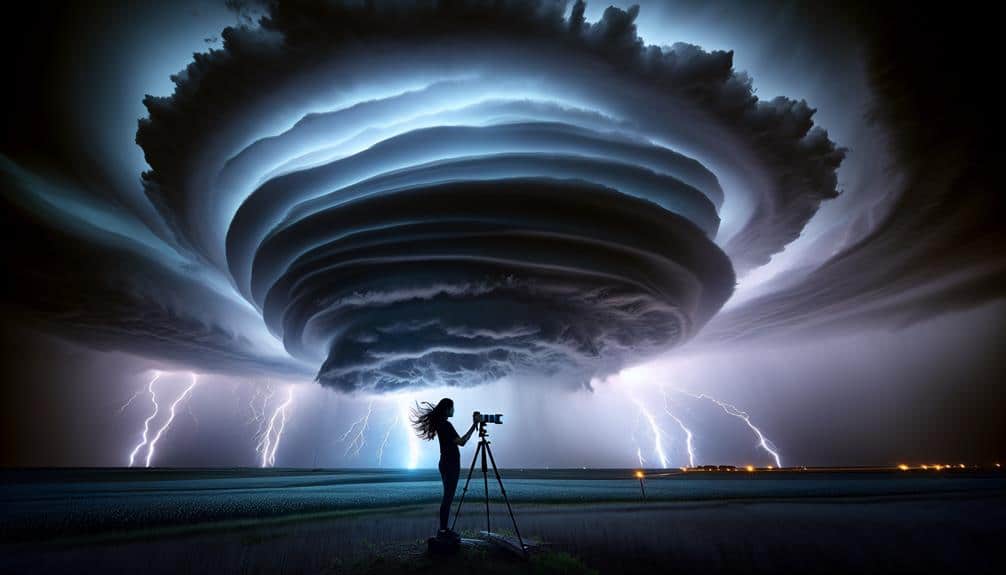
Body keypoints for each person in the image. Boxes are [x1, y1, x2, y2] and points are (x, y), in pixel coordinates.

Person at [411, 397, 477, 541]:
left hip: (445, 463)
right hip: (450, 464)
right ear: (447, 409)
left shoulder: (441, 424)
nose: (454, 410)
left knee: (447, 497)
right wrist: (474, 426)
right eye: (452, 407)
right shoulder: (446, 425)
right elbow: (462, 442)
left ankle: (444, 529)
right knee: (448, 498)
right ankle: (443, 530)